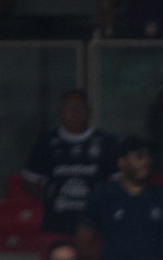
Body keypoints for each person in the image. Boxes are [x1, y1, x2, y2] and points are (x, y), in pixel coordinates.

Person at [20, 89, 117, 237]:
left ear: (89, 111)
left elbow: (118, 182)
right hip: (57, 222)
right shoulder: (46, 142)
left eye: (80, 107)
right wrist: (49, 198)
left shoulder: (106, 142)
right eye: (69, 108)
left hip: (95, 224)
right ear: (59, 113)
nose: (75, 112)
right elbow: (29, 181)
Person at [81, 136, 163, 260]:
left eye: (149, 156)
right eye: (139, 156)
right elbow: (85, 242)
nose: (146, 161)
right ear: (121, 162)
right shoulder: (103, 195)